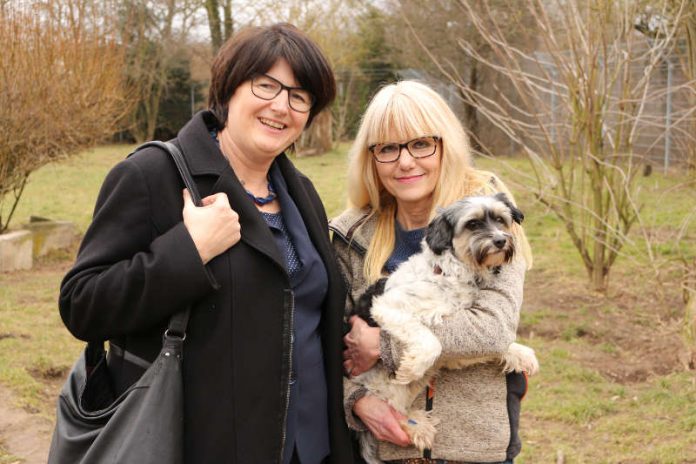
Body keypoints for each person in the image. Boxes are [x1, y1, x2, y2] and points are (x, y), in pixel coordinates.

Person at [59, 23, 354, 464]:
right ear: (230, 87)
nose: (281, 106)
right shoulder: (152, 176)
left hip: (307, 445)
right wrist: (188, 251)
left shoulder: (301, 192)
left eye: (300, 96)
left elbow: (304, 309)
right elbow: (82, 304)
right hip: (197, 444)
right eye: (266, 85)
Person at [329, 81, 534, 464]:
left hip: (473, 448)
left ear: (446, 146)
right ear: (370, 158)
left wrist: (383, 345)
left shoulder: (490, 218)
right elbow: (326, 342)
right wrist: (356, 402)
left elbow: (493, 329)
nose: (405, 162)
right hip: (387, 448)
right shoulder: (349, 235)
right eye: (388, 148)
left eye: (421, 144)